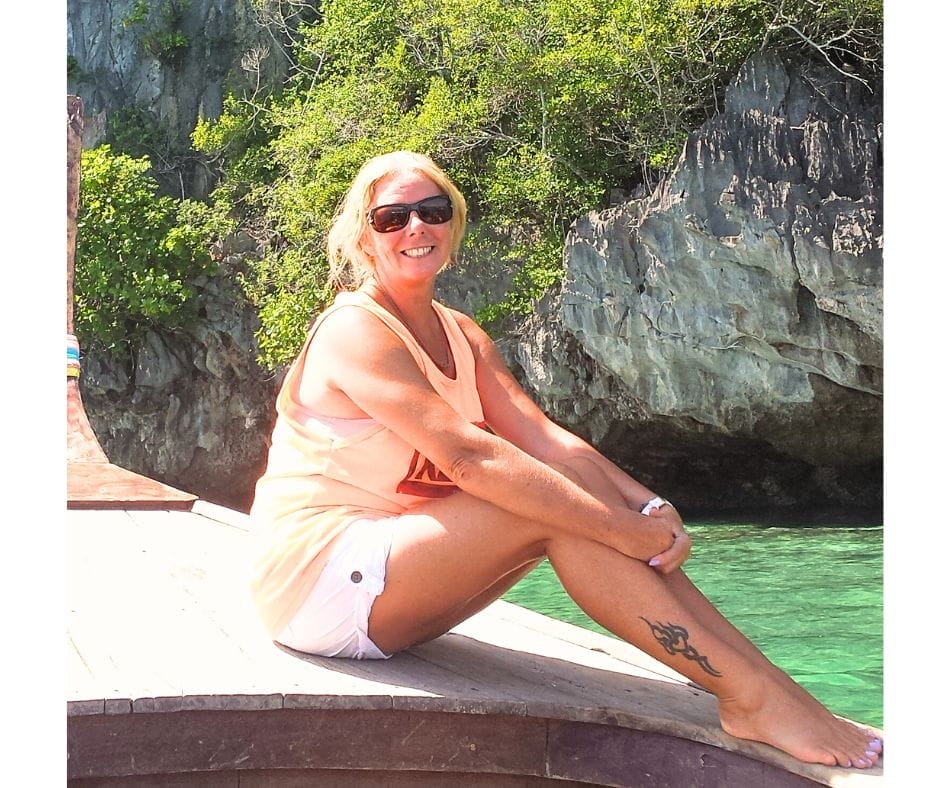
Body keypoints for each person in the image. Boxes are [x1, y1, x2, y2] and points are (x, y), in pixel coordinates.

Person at [249, 150, 882, 769]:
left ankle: (772, 690)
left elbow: (544, 438)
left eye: (432, 211)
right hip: (317, 583)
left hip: (389, 581)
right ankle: (750, 697)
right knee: (553, 510)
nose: (416, 227)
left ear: (454, 223)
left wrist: (649, 508)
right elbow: (468, 458)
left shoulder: (460, 332)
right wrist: (614, 527)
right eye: (392, 218)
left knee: (567, 491)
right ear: (365, 238)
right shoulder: (355, 331)